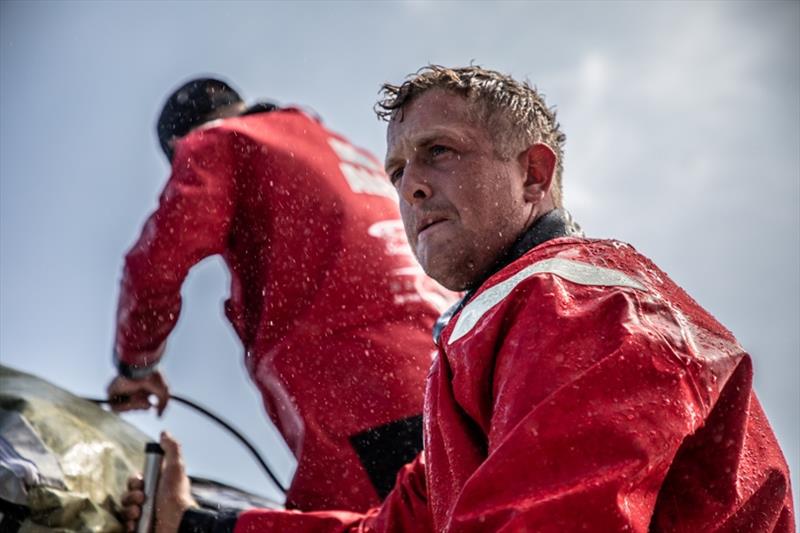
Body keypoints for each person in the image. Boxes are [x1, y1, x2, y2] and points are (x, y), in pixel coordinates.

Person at [122, 66, 795, 532]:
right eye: (400, 170)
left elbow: (162, 249)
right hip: (434, 380)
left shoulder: (583, 309)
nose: (410, 187)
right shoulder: (501, 326)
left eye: (438, 152)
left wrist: (134, 361)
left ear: (535, 173)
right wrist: (204, 523)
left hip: (356, 394)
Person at [108, 77, 453, 515]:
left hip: (363, 395)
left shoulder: (221, 141)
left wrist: (136, 364)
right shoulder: (344, 151)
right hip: (453, 368)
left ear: (182, 143)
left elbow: (156, 260)